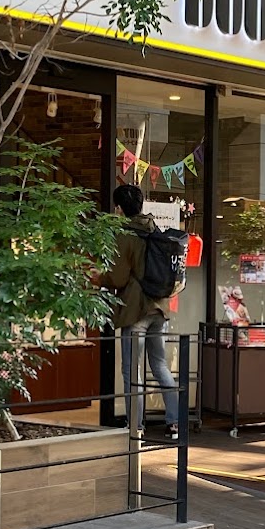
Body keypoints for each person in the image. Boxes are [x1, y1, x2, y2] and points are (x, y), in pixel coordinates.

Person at [102, 184, 180, 438]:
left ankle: (136, 424)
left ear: (119, 208)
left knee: (131, 369)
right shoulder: (156, 230)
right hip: (160, 308)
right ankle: (175, 421)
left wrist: (95, 278)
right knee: (159, 365)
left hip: (136, 310)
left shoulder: (126, 235)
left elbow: (117, 277)